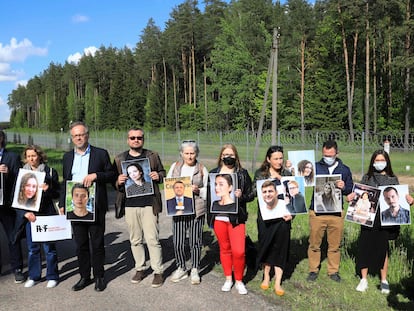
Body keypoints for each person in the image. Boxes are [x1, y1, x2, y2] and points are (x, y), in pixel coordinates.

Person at [59, 121, 116, 292]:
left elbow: (111, 174)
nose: (79, 138)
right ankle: (85, 276)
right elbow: (65, 182)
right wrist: (62, 203)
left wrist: (96, 175)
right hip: (75, 206)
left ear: (87, 135)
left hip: (95, 205)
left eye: (81, 134)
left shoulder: (100, 154)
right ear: (72, 138)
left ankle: (99, 276)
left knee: (97, 243)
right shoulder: (67, 157)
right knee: (80, 244)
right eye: (75, 135)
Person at [355, 149, 414, 294]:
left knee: (383, 249)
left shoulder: (392, 179)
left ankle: (384, 280)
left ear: (387, 162)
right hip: (369, 219)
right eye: (377, 160)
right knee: (365, 247)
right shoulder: (367, 178)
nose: (379, 163)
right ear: (373, 162)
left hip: (385, 220)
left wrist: (409, 200)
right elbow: (360, 196)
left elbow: (400, 196)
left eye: (382, 160)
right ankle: (363, 279)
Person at [113, 127, 165, 288]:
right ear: (128, 140)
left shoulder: (152, 156)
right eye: (133, 137)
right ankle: (140, 268)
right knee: (135, 239)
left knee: (152, 239)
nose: (136, 140)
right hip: (130, 205)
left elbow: (163, 173)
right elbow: (114, 183)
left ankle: (158, 271)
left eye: (139, 138)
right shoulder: (119, 159)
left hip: (149, 204)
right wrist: (118, 181)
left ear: (143, 139)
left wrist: (159, 176)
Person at [208, 144, 254, 295]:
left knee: (239, 251)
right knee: (225, 249)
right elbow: (209, 197)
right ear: (221, 156)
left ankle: (239, 280)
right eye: (226, 154)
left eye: (232, 155)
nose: (229, 157)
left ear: (236, 157)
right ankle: (228, 278)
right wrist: (210, 219)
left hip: (236, 218)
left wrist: (242, 196)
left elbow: (251, 194)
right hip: (219, 218)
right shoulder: (213, 173)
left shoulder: (242, 173)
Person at [307, 140, 353, 283]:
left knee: (335, 245)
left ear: (336, 153)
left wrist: (344, 187)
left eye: (331, 155)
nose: (328, 157)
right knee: (314, 243)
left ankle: (333, 271)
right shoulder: (314, 167)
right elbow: (302, 180)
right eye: (325, 155)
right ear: (322, 153)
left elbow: (350, 190)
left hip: (336, 213)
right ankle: (313, 270)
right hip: (317, 212)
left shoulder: (345, 170)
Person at [17, 145, 60, 288]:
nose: (31, 159)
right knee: (32, 248)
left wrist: (49, 189)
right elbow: (17, 198)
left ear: (40, 156)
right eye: (28, 156)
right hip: (31, 216)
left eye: (33, 156)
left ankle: (52, 276)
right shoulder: (22, 173)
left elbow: (57, 194)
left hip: (46, 215)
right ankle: (34, 276)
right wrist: (25, 213)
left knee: (49, 248)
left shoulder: (50, 172)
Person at [167, 140, 208, 284]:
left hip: (196, 210)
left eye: (192, 153)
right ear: (181, 154)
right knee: (178, 242)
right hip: (179, 209)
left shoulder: (202, 169)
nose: (190, 156)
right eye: (187, 153)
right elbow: (168, 186)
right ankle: (181, 267)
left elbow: (208, 190)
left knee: (195, 241)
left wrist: (199, 190)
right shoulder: (175, 167)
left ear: (196, 153)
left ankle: (195, 268)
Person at [253, 145, 292, 296]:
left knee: (281, 249)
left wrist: (292, 215)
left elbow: (294, 198)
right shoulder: (260, 174)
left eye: (281, 158)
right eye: (275, 158)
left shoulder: (287, 174)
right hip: (266, 218)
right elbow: (253, 193)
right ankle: (266, 276)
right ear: (268, 159)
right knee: (266, 246)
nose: (279, 161)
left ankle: (278, 282)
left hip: (283, 219)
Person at [0, 130, 25, 283]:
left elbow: (20, 180)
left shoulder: (13, 157)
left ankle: (17, 268)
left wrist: (9, 174)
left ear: (2, 138)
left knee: (13, 237)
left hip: (7, 205)